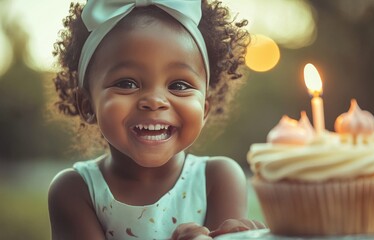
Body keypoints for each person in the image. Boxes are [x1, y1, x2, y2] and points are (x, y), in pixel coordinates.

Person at [48, 0, 265, 239]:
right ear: (87, 105)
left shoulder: (218, 180)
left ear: (204, 109)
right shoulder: (74, 191)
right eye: (126, 83)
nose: (154, 101)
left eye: (179, 85)